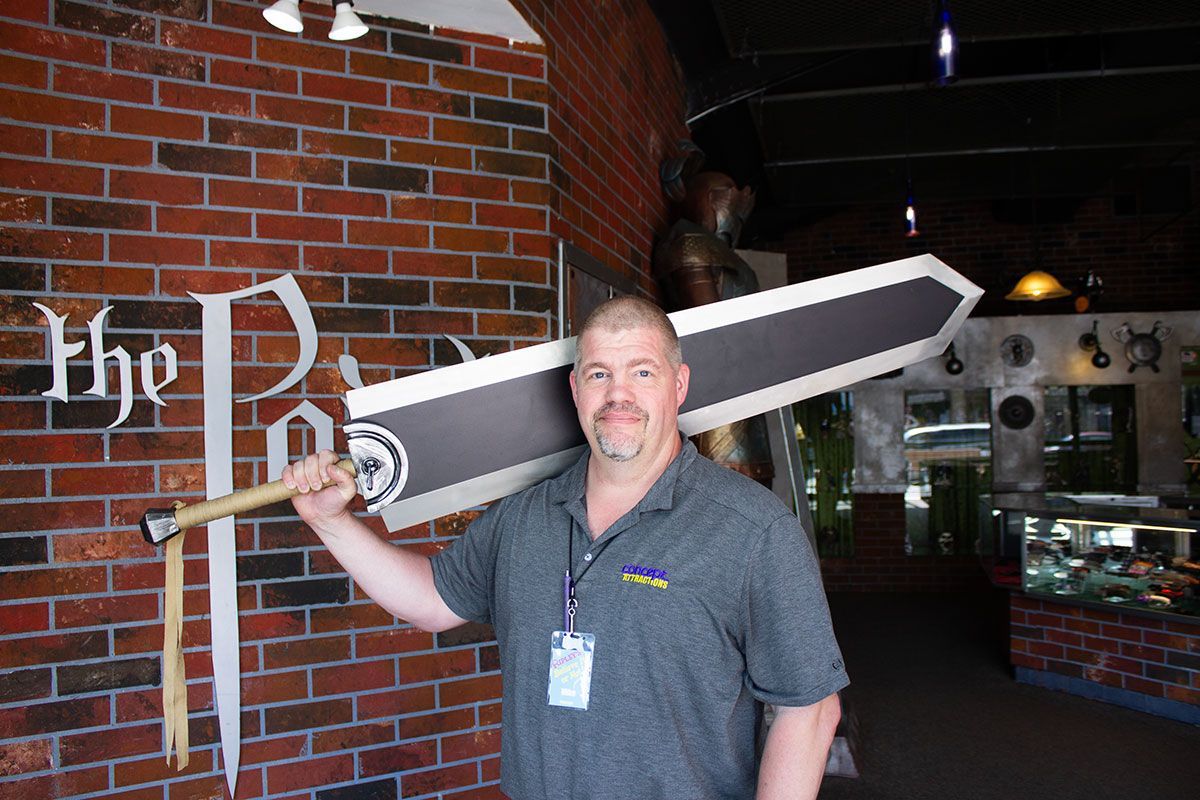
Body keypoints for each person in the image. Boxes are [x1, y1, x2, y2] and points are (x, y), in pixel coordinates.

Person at [284, 295, 848, 800]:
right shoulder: (524, 515)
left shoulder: (752, 531)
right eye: (599, 373)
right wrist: (331, 523)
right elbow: (433, 600)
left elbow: (810, 709)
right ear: (576, 389)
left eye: (642, 372)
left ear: (679, 385)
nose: (618, 394)